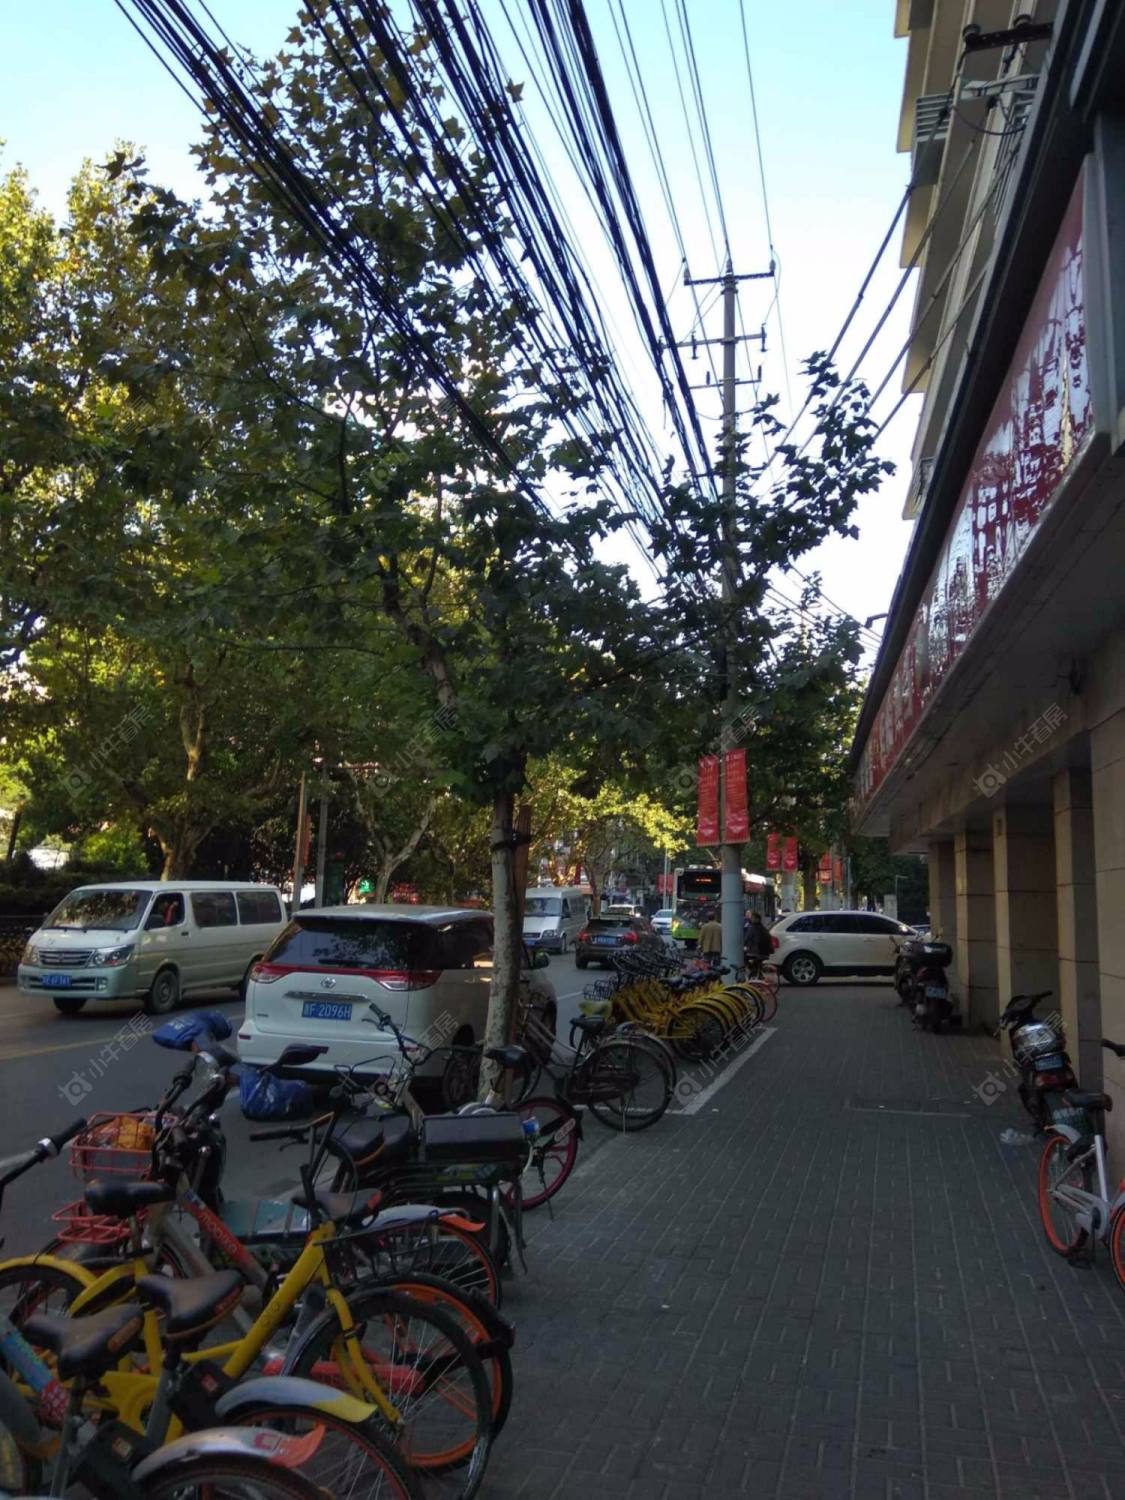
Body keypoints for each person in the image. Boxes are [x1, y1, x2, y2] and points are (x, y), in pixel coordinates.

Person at [744, 910, 773, 975]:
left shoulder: (752, 928)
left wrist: (743, 945)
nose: (751, 919)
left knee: (743, 957)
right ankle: (758, 973)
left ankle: (753, 971)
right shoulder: (764, 928)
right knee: (757, 963)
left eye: (752, 918)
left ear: (757, 919)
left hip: (756, 952)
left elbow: (746, 939)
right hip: (765, 953)